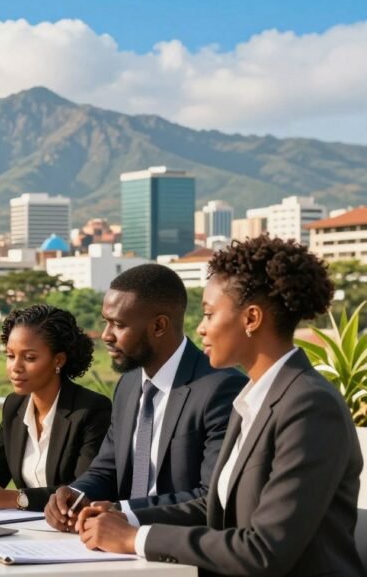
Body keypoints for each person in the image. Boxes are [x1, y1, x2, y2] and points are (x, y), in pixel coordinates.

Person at [77, 236, 364, 575]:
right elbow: (213, 507)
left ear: (251, 318)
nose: (200, 329)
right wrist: (121, 516)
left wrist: (136, 538)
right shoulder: (255, 399)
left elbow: (264, 550)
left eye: (210, 314)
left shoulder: (310, 405)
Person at [46, 263, 246, 531]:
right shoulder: (128, 385)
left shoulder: (221, 388)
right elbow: (107, 470)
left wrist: (123, 512)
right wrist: (73, 494)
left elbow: (212, 496)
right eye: (106, 321)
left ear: (159, 326)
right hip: (115, 543)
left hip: (180, 553)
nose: (106, 335)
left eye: (118, 324)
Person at [0, 304, 112, 511]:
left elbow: (81, 490)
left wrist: (15, 499)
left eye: (29, 358)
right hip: (27, 531)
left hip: (73, 532)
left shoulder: (91, 410)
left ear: (59, 360)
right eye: (10, 356)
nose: (15, 367)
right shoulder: (14, 406)